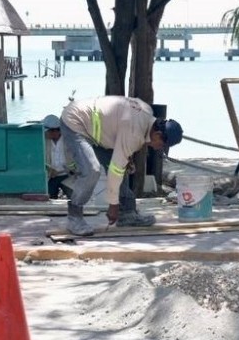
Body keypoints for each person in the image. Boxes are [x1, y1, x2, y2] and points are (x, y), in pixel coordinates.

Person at [59, 96, 184, 236]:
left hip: (99, 130)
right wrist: (113, 204)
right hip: (76, 122)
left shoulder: (147, 114)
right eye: (160, 145)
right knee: (92, 170)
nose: (156, 149)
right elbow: (115, 170)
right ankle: (74, 217)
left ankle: (127, 214)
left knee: (123, 165)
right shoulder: (134, 131)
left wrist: (127, 158)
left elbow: (122, 134)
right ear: (158, 134)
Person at [41, 114, 72, 200]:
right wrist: (48, 168)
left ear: (56, 131)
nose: (45, 133)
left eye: (47, 131)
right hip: (51, 177)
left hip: (68, 175)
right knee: (49, 197)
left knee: (74, 196)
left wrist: (73, 170)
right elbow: (39, 159)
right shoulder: (43, 140)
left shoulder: (69, 140)